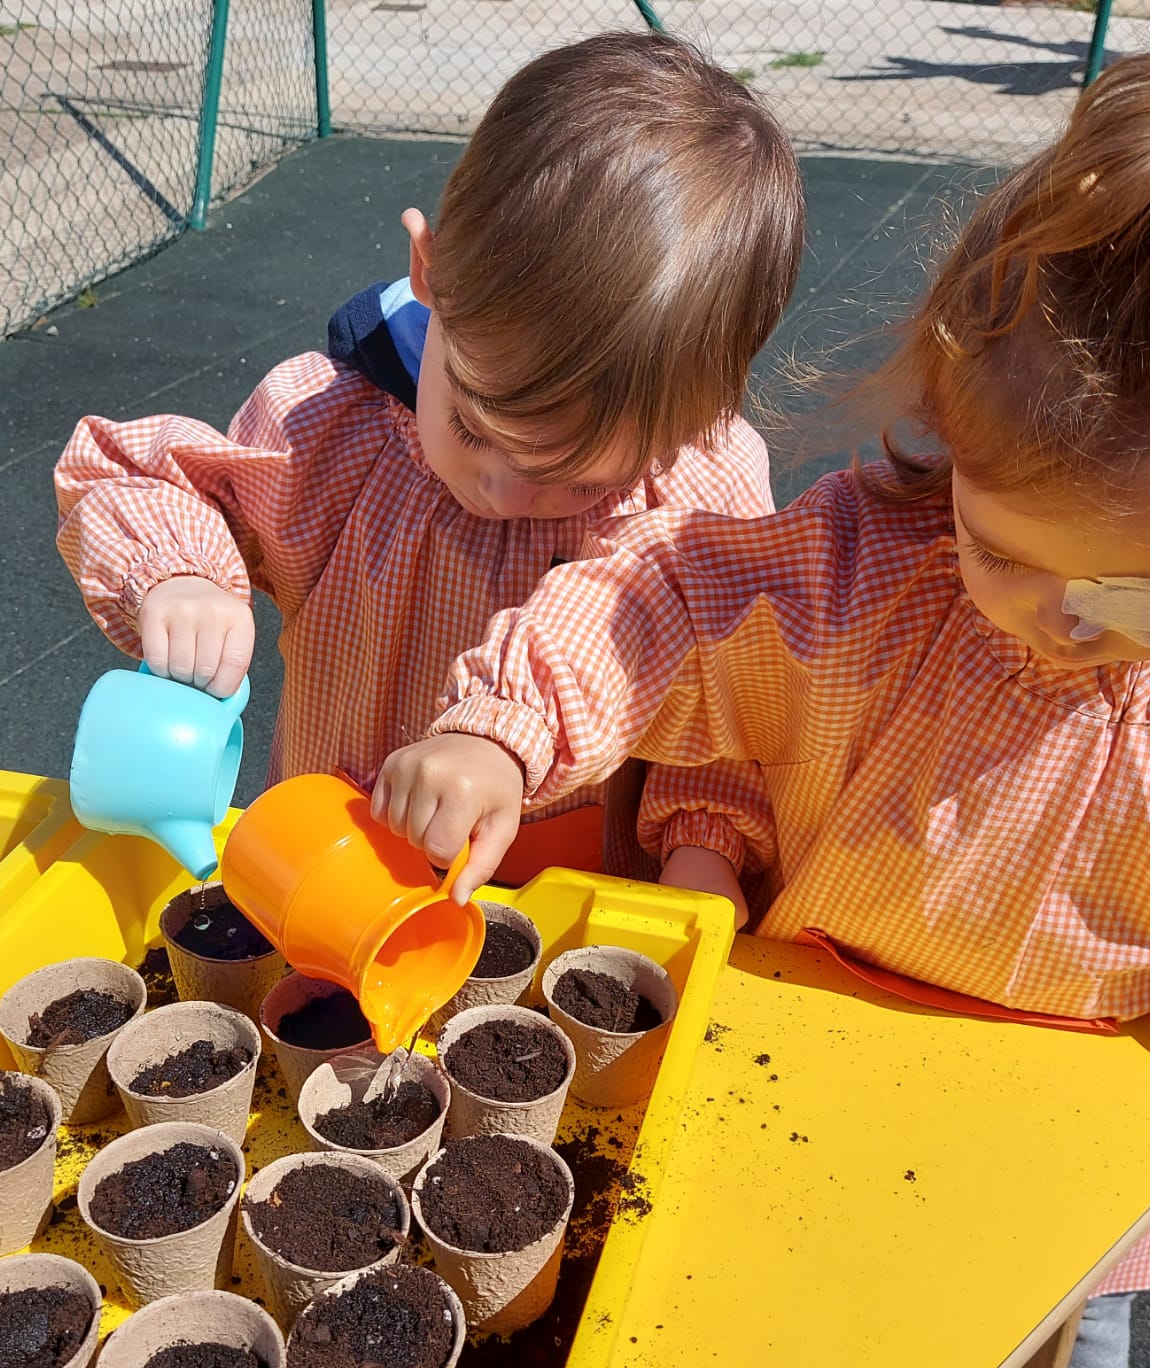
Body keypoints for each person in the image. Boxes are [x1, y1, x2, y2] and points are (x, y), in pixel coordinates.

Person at [371, 26, 1150, 1368]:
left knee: (1061, 1316)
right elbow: (664, 598)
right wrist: (505, 725)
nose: (1053, 620)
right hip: (815, 1042)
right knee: (776, 1300)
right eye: (1000, 547)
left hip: (1080, 1110)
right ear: (951, 438)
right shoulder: (874, 563)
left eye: (1136, 593)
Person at [54, 30, 804, 883]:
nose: (504, 491)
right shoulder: (330, 427)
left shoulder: (695, 486)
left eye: (578, 480)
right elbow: (137, 477)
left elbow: (727, 702)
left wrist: (705, 848)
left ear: (692, 416)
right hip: (330, 873)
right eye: (475, 429)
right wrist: (180, 575)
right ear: (428, 272)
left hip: (569, 902)